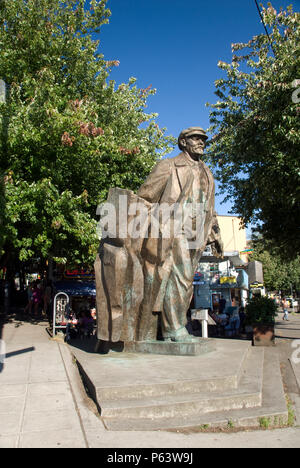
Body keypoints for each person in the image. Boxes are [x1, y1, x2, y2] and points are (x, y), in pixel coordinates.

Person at [95, 127, 223, 346]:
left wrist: (214, 234)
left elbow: (208, 205)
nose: (201, 142)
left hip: (198, 232)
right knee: (179, 276)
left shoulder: (207, 172)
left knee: (187, 282)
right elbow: (145, 196)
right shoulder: (169, 166)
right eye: (196, 138)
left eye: (203, 139)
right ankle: (174, 328)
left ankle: (174, 326)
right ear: (183, 142)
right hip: (174, 229)